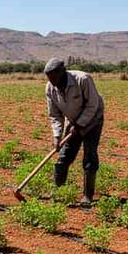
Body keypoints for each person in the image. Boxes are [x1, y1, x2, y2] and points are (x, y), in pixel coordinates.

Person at [44, 58, 105, 206]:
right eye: (49, 78)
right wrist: (57, 136)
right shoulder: (50, 88)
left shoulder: (82, 79)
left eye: (54, 77)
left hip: (93, 121)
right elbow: (55, 114)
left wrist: (79, 125)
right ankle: (58, 191)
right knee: (64, 156)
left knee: (89, 156)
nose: (52, 81)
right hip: (72, 122)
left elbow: (92, 105)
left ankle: (87, 196)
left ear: (62, 72)